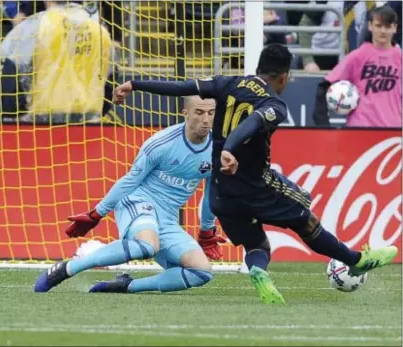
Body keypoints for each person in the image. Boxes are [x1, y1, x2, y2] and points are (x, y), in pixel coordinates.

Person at [110, 43, 398, 304]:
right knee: (305, 217)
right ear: (284, 76)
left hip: (222, 193)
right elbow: (252, 124)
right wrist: (230, 149)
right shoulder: (274, 105)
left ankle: (258, 270)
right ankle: (356, 260)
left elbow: (183, 87)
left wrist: (135, 84)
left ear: (259, 67)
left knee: (256, 243)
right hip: (256, 186)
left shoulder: (228, 82)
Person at [34, 96, 228, 294]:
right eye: (199, 112)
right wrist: (97, 214)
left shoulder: (219, 150)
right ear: (185, 113)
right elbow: (130, 180)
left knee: (201, 272)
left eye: (211, 113)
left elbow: (211, 193)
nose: (206, 119)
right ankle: (67, 268)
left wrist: (206, 231)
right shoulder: (161, 143)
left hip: (167, 218)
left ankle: (125, 286)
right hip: (137, 201)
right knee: (147, 245)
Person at [0, 1, 115, 124]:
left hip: (44, 118)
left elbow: (10, 80)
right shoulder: (101, 32)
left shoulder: (34, 27)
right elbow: (110, 82)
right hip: (90, 120)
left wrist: (15, 116)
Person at [313, 5, 402, 128]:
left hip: (393, 130)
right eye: (378, 26)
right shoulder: (359, 55)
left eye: (387, 27)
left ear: (395, 28)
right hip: (361, 128)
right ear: (370, 26)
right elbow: (324, 85)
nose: (383, 31)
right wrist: (323, 124)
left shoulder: (399, 56)